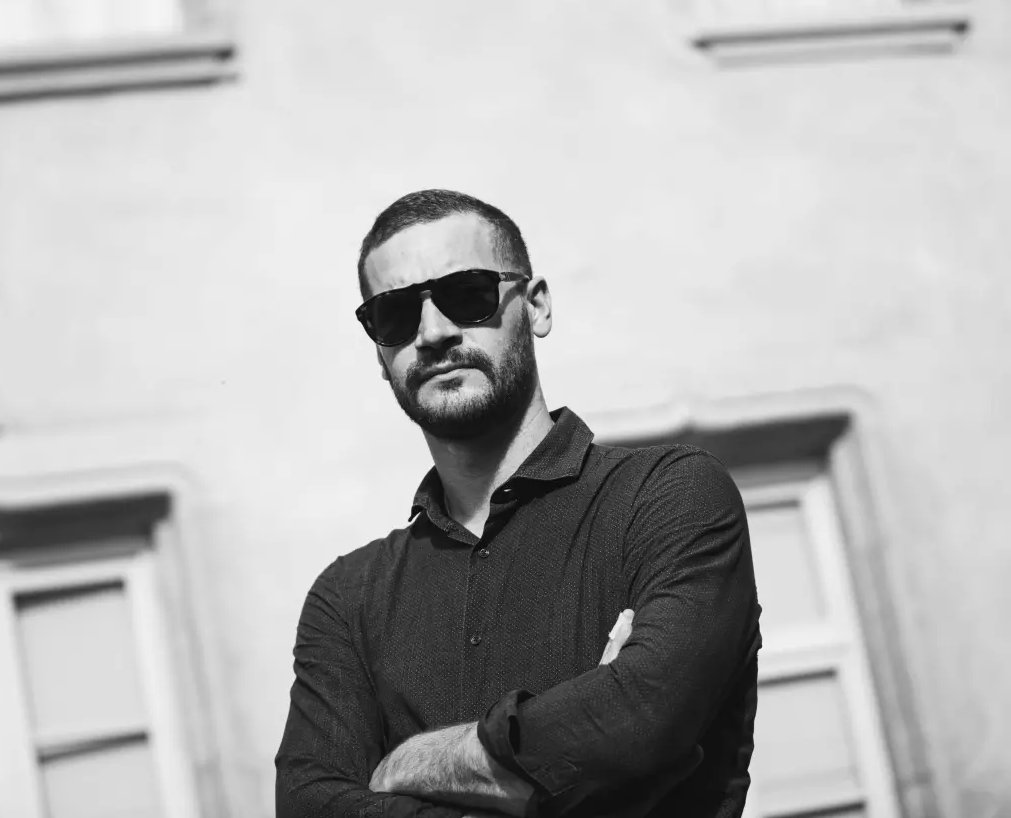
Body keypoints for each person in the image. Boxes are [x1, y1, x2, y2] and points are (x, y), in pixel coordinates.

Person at [275, 190, 762, 818]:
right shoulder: (348, 598)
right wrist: (574, 765)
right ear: (378, 349)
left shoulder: (667, 497)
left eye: (468, 294)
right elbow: (309, 807)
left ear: (536, 306)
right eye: (395, 315)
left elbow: (641, 720)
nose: (432, 332)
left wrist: (406, 765)